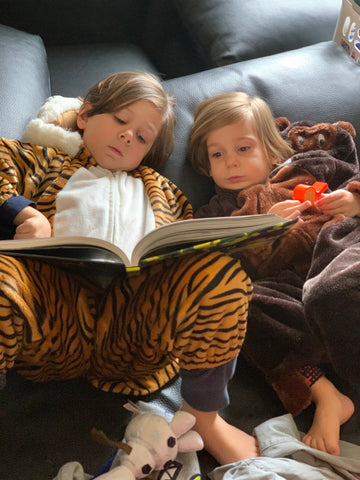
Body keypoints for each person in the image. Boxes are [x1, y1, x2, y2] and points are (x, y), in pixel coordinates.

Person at [0, 72, 257, 466]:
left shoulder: (164, 191)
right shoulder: (45, 158)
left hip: (136, 333)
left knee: (220, 276)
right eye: (121, 121)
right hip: (51, 315)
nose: (127, 137)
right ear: (85, 114)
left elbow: (183, 254)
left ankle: (205, 419)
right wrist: (26, 215)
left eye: (142, 138)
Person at [188, 91, 360, 456]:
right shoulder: (216, 212)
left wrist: (355, 200)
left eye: (243, 149)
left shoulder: (308, 163)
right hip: (282, 294)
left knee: (331, 292)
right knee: (242, 308)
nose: (230, 162)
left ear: (271, 149)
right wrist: (261, 229)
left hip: (338, 253)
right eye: (217, 154)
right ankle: (327, 395)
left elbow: (350, 175)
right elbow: (208, 259)